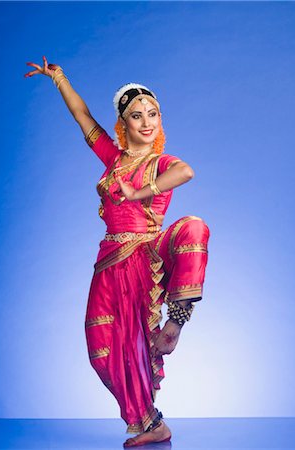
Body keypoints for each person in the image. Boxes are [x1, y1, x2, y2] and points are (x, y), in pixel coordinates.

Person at [24, 56, 210, 447]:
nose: (147, 122)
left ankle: (175, 324)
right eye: (137, 116)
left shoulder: (161, 161)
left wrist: (138, 192)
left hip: (148, 251)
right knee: (103, 348)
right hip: (109, 262)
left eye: (153, 114)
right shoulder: (113, 159)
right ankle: (150, 422)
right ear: (124, 125)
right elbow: (82, 117)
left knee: (194, 227)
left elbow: (186, 172)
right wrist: (58, 78)